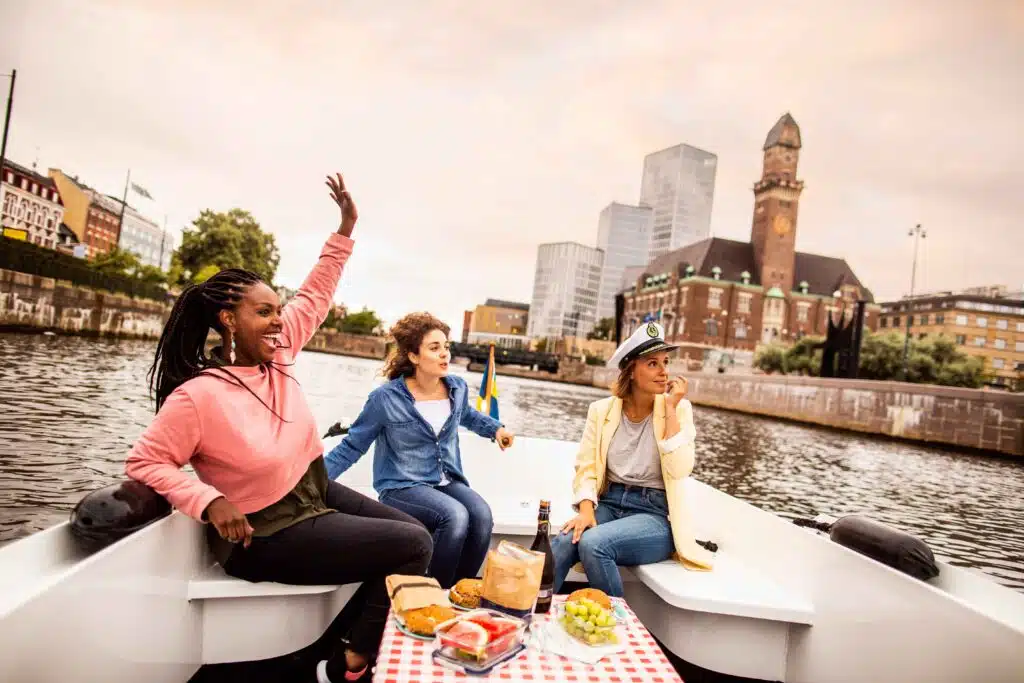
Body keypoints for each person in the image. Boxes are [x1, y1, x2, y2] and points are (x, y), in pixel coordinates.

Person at [124, 174, 431, 683]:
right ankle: (349, 664)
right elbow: (144, 462)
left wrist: (345, 229)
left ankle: (332, 651)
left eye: (276, 311)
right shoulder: (198, 396)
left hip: (310, 494)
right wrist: (208, 500)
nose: (276, 321)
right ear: (227, 319)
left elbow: (315, 293)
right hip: (263, 531)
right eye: (262, 312)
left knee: (418, 534)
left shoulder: (280, 353)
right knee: (413, 546)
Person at [324, 313, 515, 589]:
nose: (444, 354)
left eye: (446, 347)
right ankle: (429, 595)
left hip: (446, 480)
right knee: (455, 516)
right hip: (402, 486)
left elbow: (469, 416)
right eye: (434, 348)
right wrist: (313, 482)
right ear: (414, 356)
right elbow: (352, 446)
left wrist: (496, 429)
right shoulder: (385, 399)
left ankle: (458, 592)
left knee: (482, 516)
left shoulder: (456, 388)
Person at [551, 322, 715, 598]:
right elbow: (587, 466)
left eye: (665, 362)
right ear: (631, 371)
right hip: (610, 504)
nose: (664, 371)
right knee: (562, 543)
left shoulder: (678, 409)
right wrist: (587, 509)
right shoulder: (601, 410)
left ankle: (615, 626)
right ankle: (530, 617)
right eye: (652, 363)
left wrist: (672, 410)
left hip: (654, 516)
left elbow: (679, 469)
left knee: (593, 544)